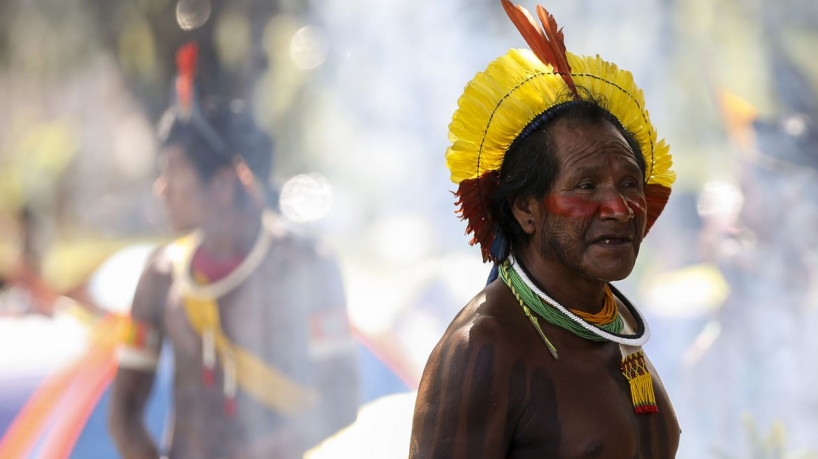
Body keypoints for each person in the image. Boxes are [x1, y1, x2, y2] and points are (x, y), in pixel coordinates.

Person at [410, 2, 680, 457]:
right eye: (586, 185)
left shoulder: (616, 324)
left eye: (630, 183)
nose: (619, 207)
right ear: (525, 210)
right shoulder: (483, 347)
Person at [108, 43, 359, 458]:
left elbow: (339, 403)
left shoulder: (307, 266)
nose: (161, 188)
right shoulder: (160, 275)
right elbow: (124, 411)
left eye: (173, 169)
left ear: (224, 185)